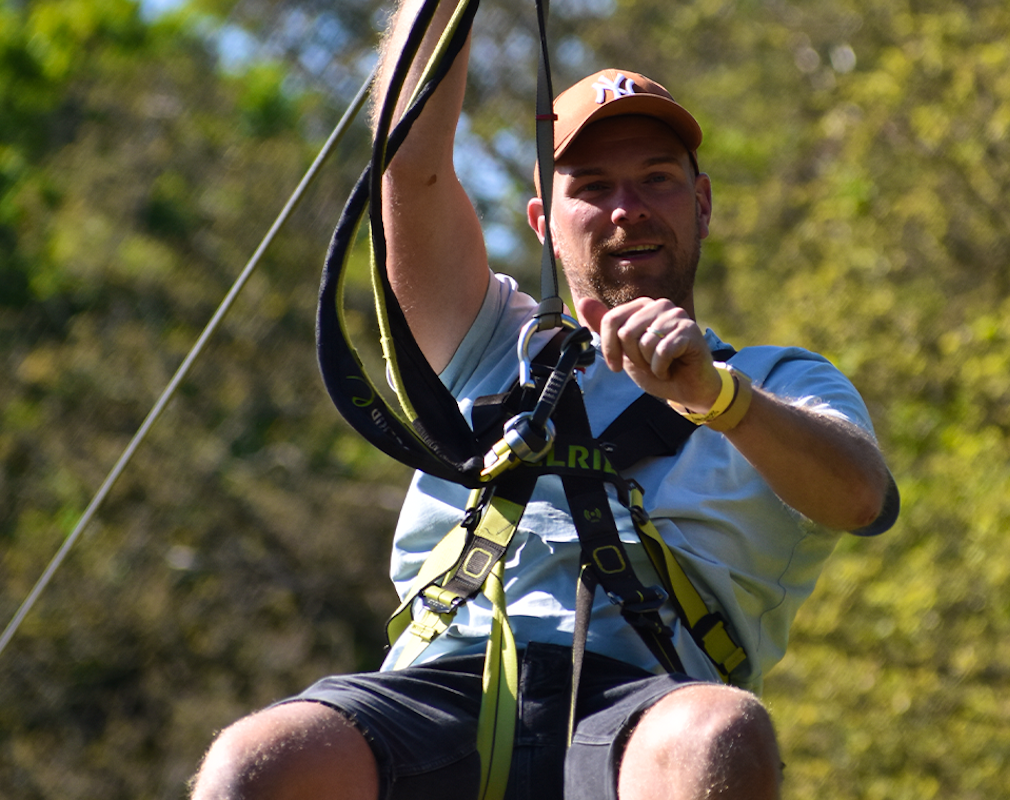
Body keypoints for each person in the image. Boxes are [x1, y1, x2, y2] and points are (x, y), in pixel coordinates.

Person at [190, 1, 897, 798]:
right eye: (591, 187)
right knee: (260, 762)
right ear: (542, 224)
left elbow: (861, 495)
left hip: (643, 704)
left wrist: (717, 397)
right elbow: (409, 162)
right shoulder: (490, 340)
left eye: (656, 181)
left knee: (717, 737)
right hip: (443, 686)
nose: (627, 208)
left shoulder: (780, 381)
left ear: (701, 204)